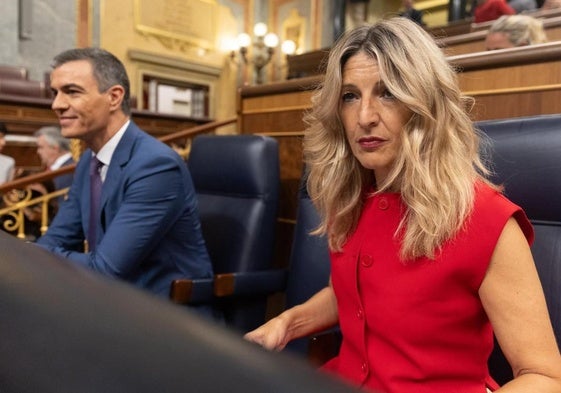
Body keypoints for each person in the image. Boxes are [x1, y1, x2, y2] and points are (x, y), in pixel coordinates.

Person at [245, 18, 561, 393]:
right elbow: (347, 293)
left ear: (425, 105)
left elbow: (545, 376)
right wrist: (287, 323)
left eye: (387, 92)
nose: (364, 117)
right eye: (350, 96)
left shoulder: (487, 219)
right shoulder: (351, 198)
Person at [36, 48, 214, 305]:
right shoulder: (89, 159)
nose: (57, 104)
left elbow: (105, 269)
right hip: (113, 302)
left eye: (72, 92)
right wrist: (34, 254)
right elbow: (59, 237)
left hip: (166, 316)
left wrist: (34, 253)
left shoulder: (157, 166)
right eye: (55, 93)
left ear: (114, 97)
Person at [34, 125, 75, 191]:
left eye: (41, 147)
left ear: (55, 148)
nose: (38, 151)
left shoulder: (70, 170)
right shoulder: (56, 169)